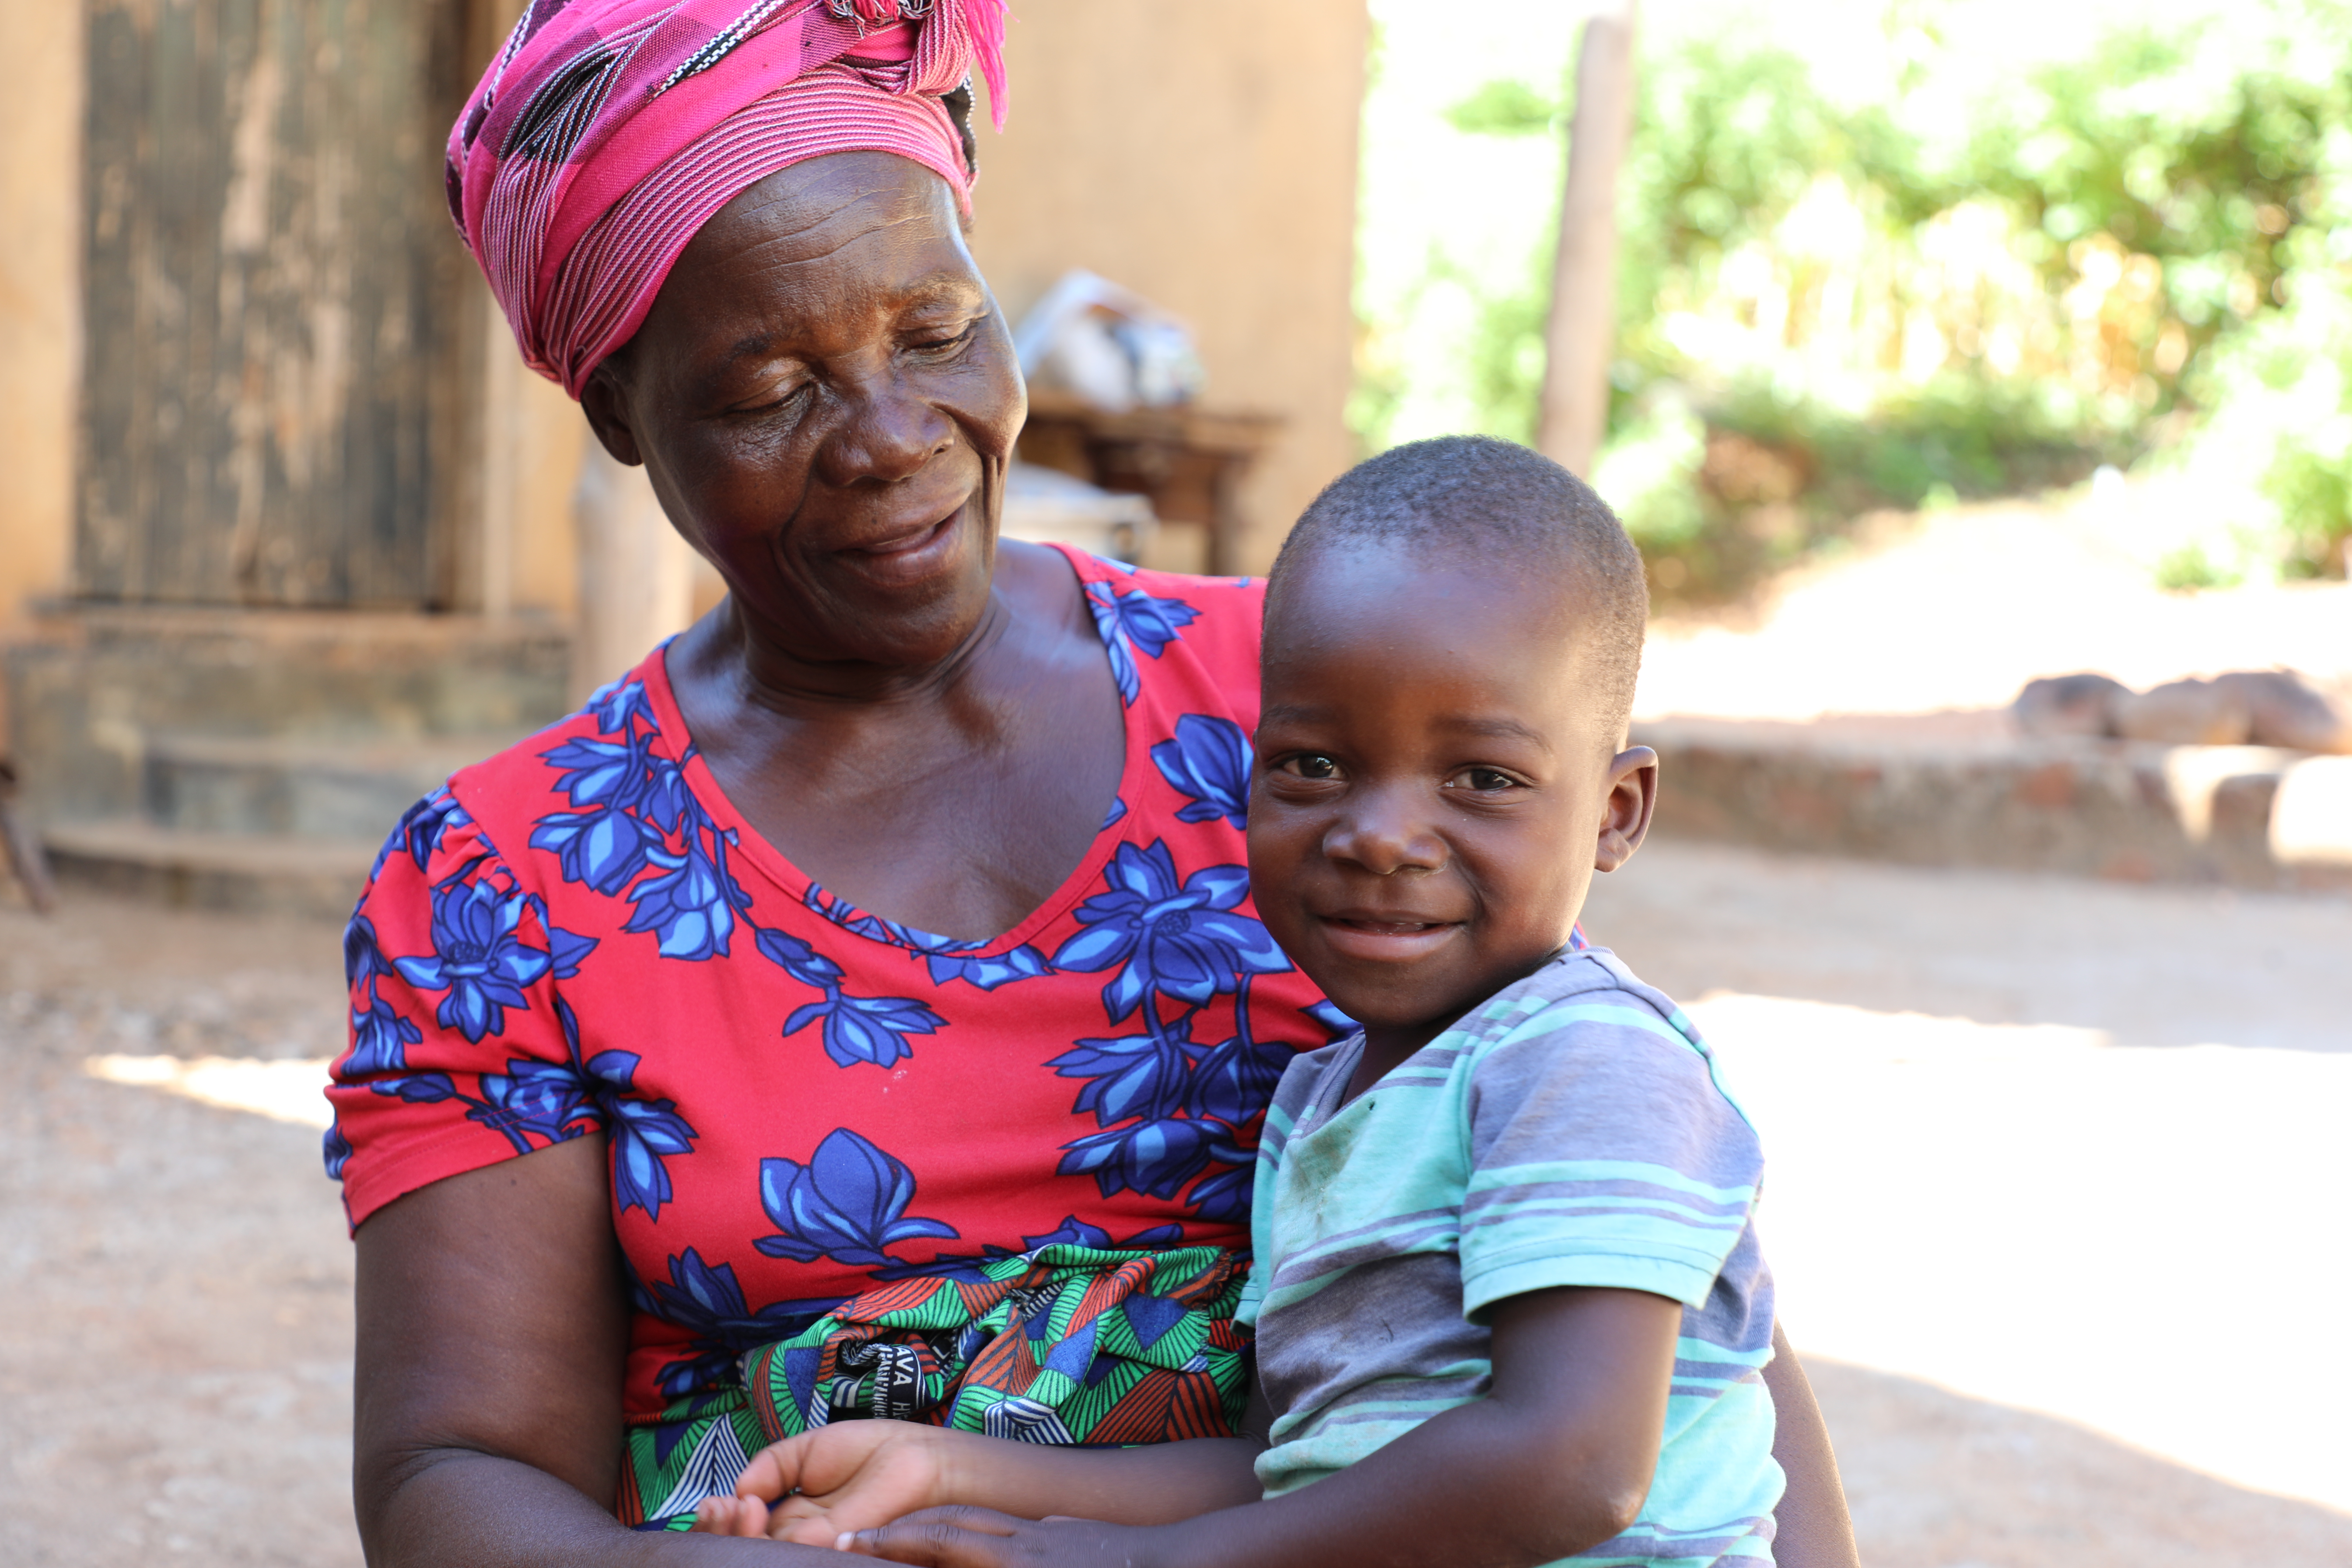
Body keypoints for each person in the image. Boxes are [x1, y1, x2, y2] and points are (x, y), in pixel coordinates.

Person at [326, 2, 1858, 1563]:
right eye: (771, 389)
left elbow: (1646, 1260)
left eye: (937, 331)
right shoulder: (510, 883)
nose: (889, 439)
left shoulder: (1319, 714)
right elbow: (460, 1471)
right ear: (620, 411)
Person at [689, 438, 1784, 1567]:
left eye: (1484, 780)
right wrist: (951, 1476)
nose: (1380, 836)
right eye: (1315, 765)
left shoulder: (1591, 1062)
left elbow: (1576, 1466)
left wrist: (1144, 1566)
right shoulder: (1323, 1102)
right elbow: (1283, 1477)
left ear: (1615, 812)